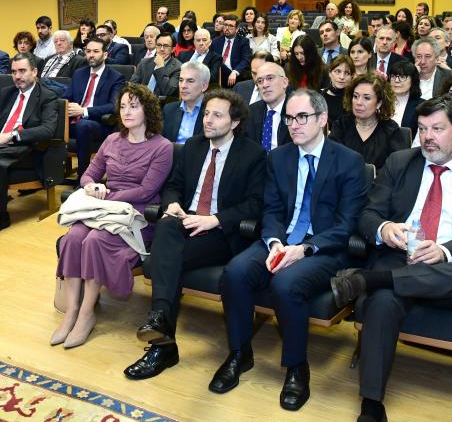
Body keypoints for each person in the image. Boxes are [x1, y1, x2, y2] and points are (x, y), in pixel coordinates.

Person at [333, 96, 452, 422]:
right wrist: (384, 228)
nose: (427, 137)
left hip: (450, 271)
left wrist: (445, 250)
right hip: (399, 258)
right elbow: (368, 215)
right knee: (382, 302)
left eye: (437, 129)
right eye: (423, 129)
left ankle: (369, 280)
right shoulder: (399, 163)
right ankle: (371, 403)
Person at [210, 89, 368, 411]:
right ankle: (239, 353)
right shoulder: (279, 157)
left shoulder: (349, 161)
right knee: (236, 272)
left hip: (324, 248)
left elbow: (347, 225)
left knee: (286, 284)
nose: (293, 124)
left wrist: (305, 249)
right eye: (289, 118)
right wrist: (274, 242)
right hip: (281, 240)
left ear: (322, 119)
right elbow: (271, 210)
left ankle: (297, 367)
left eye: (302, 117)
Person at [124, 89, 266, 380]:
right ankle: (161, 327)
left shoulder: (253, 154)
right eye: (206, 113)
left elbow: (255, 204)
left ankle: (162, 344)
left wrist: (215, 220)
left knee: (165, 259)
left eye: (217, 115)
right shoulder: (193, 145)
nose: (208, 120)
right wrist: (173, 204)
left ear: (235, 122)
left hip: (221, 233)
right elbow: (173, 186)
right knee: (167, 224)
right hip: (186, 221)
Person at [53, 84, 173, 349]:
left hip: (136, 215)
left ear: (148, 110)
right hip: (103, 209)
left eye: (134, 106)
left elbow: (146, 191)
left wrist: (107, 196)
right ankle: (71, 311)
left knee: (95, 240)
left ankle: (86, 314)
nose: (126, 112)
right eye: (123, 107)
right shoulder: (111, 140)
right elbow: (88, 174)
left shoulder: (162, 147)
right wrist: (91, 186)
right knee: (73, 238)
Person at [0, 53, 59, 237]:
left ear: (34, 71)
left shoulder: (47, 96)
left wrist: (13, 135)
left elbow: (47, 130)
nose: (17, 76)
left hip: (27, 148)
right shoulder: (7, 92)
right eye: (14, 72)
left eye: (22, 71)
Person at [64, 37, 126, 179]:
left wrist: (84, 111)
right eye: (88, 51)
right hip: (73, 121)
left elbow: (114, 106)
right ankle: (49, 176)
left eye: (96, 51)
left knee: (83, 125)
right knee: (51, 122)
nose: (91, 55)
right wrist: (67, 105)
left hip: (99, 123)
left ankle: (84, 177)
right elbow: (66, 97)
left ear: (105, 55)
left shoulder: (116, 77)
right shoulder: (79, 73)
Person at [329, 73, 409, 170]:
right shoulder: (341, 125)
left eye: (366, 98)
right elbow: (330, 161)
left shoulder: (390, 130)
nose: (359, 102)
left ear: (379, 103)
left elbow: (396, 169)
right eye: (355, 96)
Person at [245, 62, 290, 151]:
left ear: (284, 82)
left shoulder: (297, 110)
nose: (265, 85)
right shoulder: (250, 112)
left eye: (270, 78)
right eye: (260, 81)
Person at [162, 62, 208, 143]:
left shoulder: (212, 112)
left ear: (204, 86)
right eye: (181, 80)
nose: (183, 86)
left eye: (190, 81)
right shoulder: (169, 109)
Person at [130, 32, 181, 98]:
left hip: (162, 102)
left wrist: (160, 67)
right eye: (159, 45)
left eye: (166, 46)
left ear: (173, 49)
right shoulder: (144, 62)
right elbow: (132, 86)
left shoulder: (178, 67)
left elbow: (168, 91)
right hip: (141, 100)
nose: (162, 49)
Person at [210, 14, 252, 88]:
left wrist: (235, 72)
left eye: (230, 26)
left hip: (234, 76)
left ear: (237, 29)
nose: (227, 28)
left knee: (219, 62)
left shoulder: (243, 41)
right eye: (225, 25)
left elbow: (246, 60)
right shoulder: (215, 41)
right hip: (218, 74)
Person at [387, 61, 424, 134]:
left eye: (402, 77)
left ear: (413, 80)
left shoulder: (421, 106)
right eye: (393, 76)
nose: (396, 80)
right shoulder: (381, 102)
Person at [322, 55, 354, 123]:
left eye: (347, 73)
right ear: (329, 73)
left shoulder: (354, 97)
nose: (342, 77)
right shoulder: (321, 96)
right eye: (337, 71)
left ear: (352, 76)